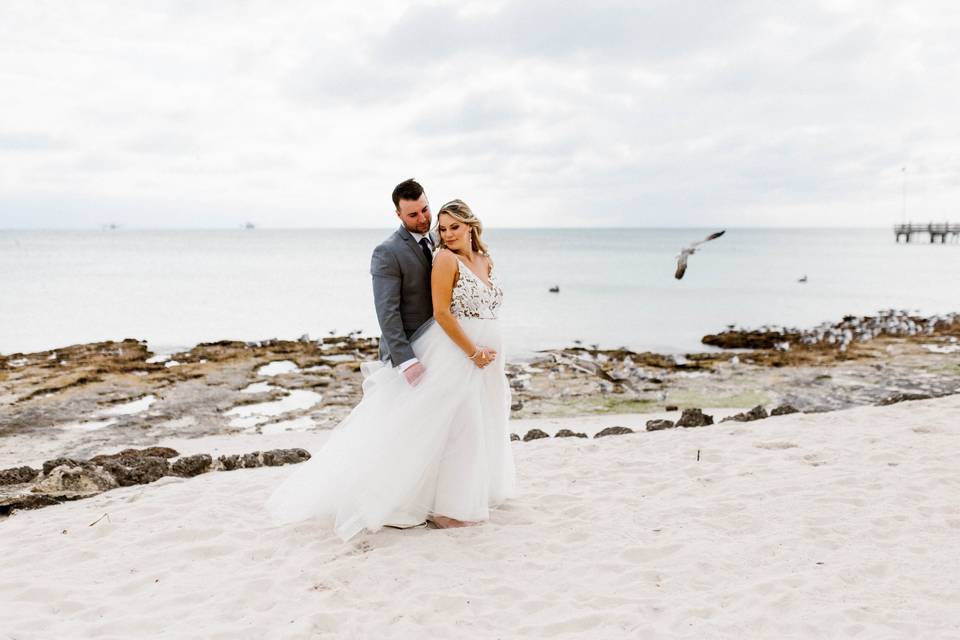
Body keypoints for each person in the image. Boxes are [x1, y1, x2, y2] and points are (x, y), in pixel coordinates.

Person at [265, 187, 516, 541]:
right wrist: (407, 360)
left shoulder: (446, 246)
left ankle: (457, 495)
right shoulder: (390, 252)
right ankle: (421, 502)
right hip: (429, 352)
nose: (427, 222)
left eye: (427, 212)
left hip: (471, 352)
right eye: (415, 215)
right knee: (418, 427)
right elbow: (389, 313)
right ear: (399, 215)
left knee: (452, 426)